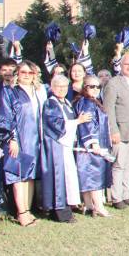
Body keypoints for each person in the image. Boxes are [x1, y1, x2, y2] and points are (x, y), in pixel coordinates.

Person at [0, 60, 47, 226]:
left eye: (30, 73)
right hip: (18, 139)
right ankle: (21, 213)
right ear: (17, 74)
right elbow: (6, 118)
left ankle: (28, 210)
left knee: (31, 176)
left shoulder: (38, 91)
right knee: (18, 176)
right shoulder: (9, 92)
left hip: (35, 140)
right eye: (23, 72)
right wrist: (12, 139)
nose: (27, 75)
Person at [41, 75, 91, 223]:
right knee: (58, 178)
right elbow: (56, 125)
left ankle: (67, 206)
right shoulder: (51, 103)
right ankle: (60, 211)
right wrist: (78, 121)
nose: (61, 89)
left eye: (64, 86)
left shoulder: (67, 102)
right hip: (57, 145)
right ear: (52, 87)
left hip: (67, 146)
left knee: (68, 177)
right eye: (58, 86)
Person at [102, 53, 129, 209]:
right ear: (121, 64)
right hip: (120, 130)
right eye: (127, 64)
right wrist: (113, 130)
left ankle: (126, 195)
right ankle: (116, 197)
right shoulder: (113, 83)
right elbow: (108, 110)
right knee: (118, 166)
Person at [74, 76, 113, 217]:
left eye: (98, 87)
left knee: (87, 175)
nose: (95, 89)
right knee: (94, 175)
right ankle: (98, 206)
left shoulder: (93, 101)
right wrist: (93, 143)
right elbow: (88, 124)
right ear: (85, 87)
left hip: (92, 145)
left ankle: (89, 206)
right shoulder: (86, 103)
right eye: (91, 86)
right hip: (91, 146)